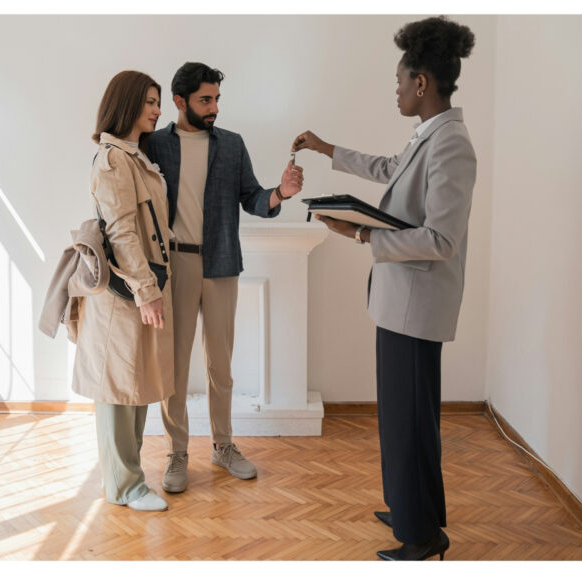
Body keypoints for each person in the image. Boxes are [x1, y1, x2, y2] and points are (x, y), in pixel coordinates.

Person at [292, 16, 476, 561]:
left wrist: (362, 233)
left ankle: (421, 538)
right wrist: (329, 150)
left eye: (399, 81)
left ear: (422, 82)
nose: (395, 90)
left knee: (412, 420)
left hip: (417, 307)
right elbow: (390, 169)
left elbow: (441, 239)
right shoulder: (429, 137)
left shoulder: (452, 146)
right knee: (401, 417)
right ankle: (411, 510)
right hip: (400, 303)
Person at [146, 62, 304, 493]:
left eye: (216, 99)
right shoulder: (153, 145)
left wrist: (280, 194)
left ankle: (223, 445)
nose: (214, 107)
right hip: (174, 264)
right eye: (205, 99)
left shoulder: (232, 145)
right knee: (175, 365)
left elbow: (252, 197)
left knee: (221, 364)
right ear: (180, 102)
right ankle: (177, 452)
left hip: (221, 263)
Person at [72, 70, 174, 512]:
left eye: (157, 102)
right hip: (125, 291)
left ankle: (127, 481)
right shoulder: (113, 159)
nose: (157, 109)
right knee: (116, 388)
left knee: (134, 383)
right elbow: (123, 233)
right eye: (150, 101)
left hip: (137, 287)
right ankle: (123, 487)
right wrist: (147, 291)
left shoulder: (133, 156)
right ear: (129, 103)